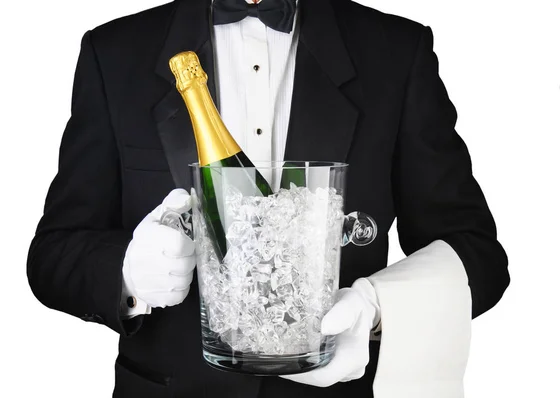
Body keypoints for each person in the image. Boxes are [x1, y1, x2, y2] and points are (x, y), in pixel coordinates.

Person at [26, 0, 510, 396]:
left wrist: (375, 307)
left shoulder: (398, 52)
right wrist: (128, 273)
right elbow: (52, 255)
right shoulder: (112, 52)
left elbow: (478, 256)